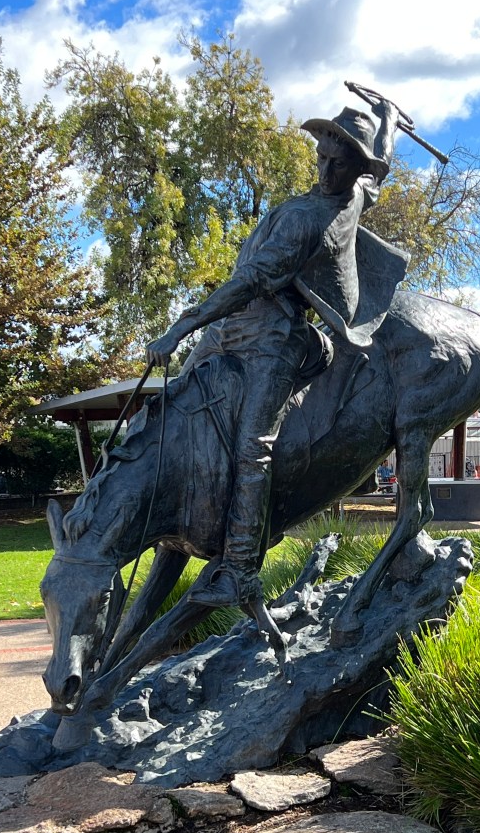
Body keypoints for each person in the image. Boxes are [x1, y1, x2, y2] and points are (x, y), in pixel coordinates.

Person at [146, 99, 400, 607]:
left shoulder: (307, 222)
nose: (327, 170)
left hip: (278, 339)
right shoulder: (356, 192)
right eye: (323, 158)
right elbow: (384, 167)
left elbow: (244, 284)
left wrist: (180, 327)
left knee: (253, 445)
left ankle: (239, 565)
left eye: (340, 163)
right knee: (172, 402)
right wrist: (389, 117)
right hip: (233, 331)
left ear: (356, 169)